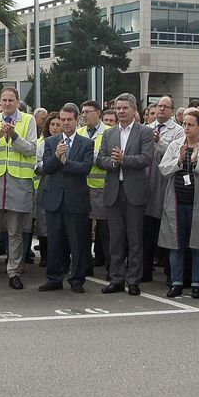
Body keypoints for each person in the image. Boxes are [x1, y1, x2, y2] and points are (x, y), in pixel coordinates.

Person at [0, 87, 38, 290]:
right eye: (4, 100)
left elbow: (31, 150)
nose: (7, 103)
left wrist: (14, 137)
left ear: (18, 101)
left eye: (11, 100)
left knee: (15, 232)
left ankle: (13, 272)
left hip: (18, 182)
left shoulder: (28, 120)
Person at [98, 93, 157, 296]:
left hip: (135, 191)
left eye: (124, 108)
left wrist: (124, 160)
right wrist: (114, 162)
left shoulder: (145, 133)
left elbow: (146, 159)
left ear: (134, 110)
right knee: (115, 239)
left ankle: (133, 280)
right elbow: (100, 159)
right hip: (114, 190)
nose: (121, 111)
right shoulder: (109, 133)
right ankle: (116, 278)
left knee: (134, 239)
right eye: (118, 108)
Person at [157, 107, 199, 299]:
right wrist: (179, 160)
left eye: (191, 125)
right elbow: (163, 169)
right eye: (184, 124)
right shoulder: (175, 146)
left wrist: (196, 162)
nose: (186, 128)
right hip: (176, 201)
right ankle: (176, 282)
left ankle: (197, 284)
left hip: (198, 202)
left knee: (198, 244)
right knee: (176, 243)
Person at [36, 104, 95, 292]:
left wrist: (66, 162)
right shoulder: (51, 142)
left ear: (77, 121)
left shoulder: (86, 143)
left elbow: (85, 168)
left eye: (69, 120)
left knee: (77, 242)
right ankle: (54, 278)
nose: (65, 123)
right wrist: (56, 157)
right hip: (54, 199)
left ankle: (77, 279)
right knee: (54, 241)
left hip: (76, 200)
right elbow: (46, 167)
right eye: (62, 120)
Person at [142, 98, 183, 284]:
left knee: (166, 229)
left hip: (165, 183)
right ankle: (145, 270)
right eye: (159, 106)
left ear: (172, 110)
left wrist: (159, 142)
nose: (161, 109)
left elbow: (176, 153)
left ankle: (169, 271)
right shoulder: (146, 128)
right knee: (146, 231)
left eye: (166, 107)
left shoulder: (178, 130)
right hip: (145, 182)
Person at [77, 101, 110, 272]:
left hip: (102, 187)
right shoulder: (79, 132)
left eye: (88, 112)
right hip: (82, 187)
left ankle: (110, 268)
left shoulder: (108, 132)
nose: (84, 115)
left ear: (98, 113)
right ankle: (85, 265)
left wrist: (89, 157)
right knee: (83, 229)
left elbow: (107, 158)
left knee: (105, 230)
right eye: (82, 112)